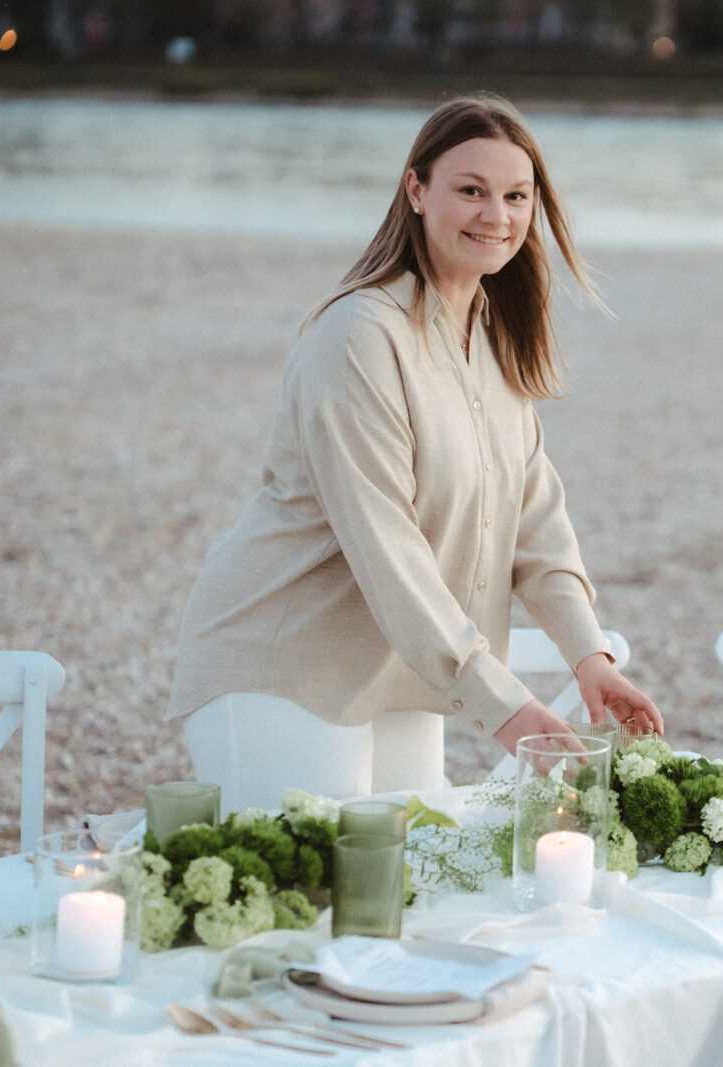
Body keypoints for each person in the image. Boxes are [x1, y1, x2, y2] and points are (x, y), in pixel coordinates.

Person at [165, 95, 662, 809]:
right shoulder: (359, 336)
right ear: (417, 190)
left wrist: (591, 657)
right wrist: (508, 706)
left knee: (415, 867)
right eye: (471, 190)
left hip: (405, 671)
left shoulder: (491, 338)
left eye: (516, 196)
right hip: (285, 667)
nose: (497, 215)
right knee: (313, 873)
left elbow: (537, 525)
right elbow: (386, 545)